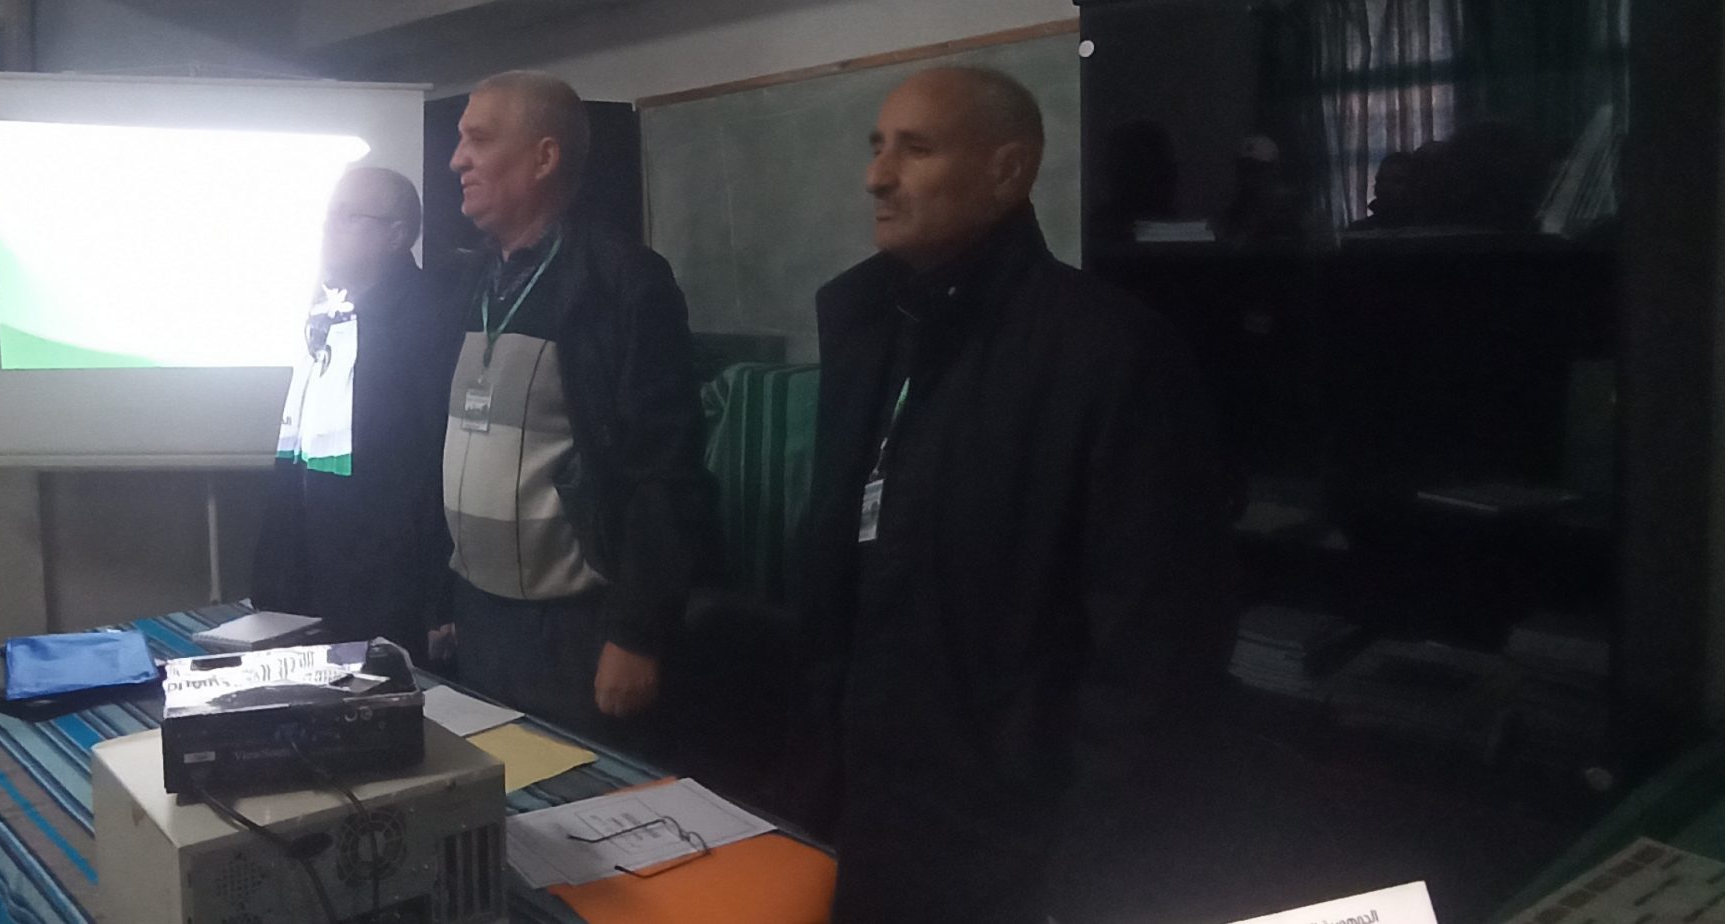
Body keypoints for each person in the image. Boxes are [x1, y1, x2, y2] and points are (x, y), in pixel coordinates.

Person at [788, 68, 1233, 923]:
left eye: (916, 149)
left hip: (1014, 851)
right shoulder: (870, 330)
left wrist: (1087, 882)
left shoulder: (1110, 355)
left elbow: (1153, 657)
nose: (877, 176)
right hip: (866, 813)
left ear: (1007, 170)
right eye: (877, 148)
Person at [435, 71, 712, 735]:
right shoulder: (471, 279)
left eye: (478, 139)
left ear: (544, 157)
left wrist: (637, 634)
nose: (456, 160)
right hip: (477, 614)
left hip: (574, 630)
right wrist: (439, 597)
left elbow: (664, 469)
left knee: (571, 794)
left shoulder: (623, 282)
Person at [252, 167, 458, 656]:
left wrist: (439, 601)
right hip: (308, 583)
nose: (329, 228)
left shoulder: (430, 320)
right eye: (329, 216)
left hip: (387, 596)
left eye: (348, 217)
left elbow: (437, 466)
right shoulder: (328, 314)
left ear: (397, 234)